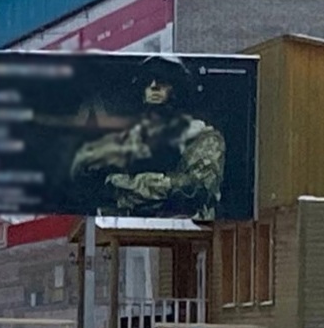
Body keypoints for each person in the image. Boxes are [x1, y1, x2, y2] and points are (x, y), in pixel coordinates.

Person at [68, 61, 228, 216]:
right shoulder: (128, 139)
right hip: (125, 233)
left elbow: (197, 189)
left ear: (178, 90)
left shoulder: (205, 137)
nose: (153, 86)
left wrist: (124, 184)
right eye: (147, 82)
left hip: (183, 232)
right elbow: (86, 175)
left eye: (163, 81)